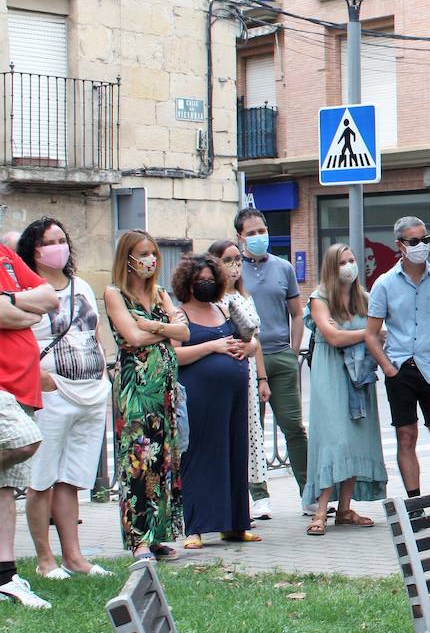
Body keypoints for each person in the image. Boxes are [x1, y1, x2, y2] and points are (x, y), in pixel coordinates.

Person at [17, 218, 111, 578]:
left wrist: (103, 370)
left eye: (62, 239)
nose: (59, 246)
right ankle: (45, 560)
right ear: (34, 250)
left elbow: (94, 331)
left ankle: (75, 557)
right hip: (53, 392)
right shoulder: (28, 290)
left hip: (89, 392)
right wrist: (39, 378)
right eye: (49, 241)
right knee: (41, 477)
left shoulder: (82, 286)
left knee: (71, 479)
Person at [365, 217, 430, 508]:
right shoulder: (383, 284)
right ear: (400, 246)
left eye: (425, 239)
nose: (422, 246)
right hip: (400, 370)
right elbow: (372, 335)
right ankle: (415, 505)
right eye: (414, 241)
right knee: (406, 436)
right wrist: (388, 368)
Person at [104, 230, 189, 563]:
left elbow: (183, 333)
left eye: (153, 253)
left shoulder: (160, 294)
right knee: (138, 462)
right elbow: (131, 337)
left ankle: (158, 536)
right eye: (143, 254)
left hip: (165, 389)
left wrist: (154, 327)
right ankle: (138, 539)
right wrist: (163, 329)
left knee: (164, 460)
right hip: (136, 390)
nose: (150, 260)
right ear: (127, 258)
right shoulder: (115, 294)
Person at [171, 254, 259, 549]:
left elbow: (253, 338)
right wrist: (213, 346)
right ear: (188, 284)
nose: (205, 284)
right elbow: (175, 355)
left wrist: (245, 349)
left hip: (234, 395)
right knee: (200, 458)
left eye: (210, 279)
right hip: (199, 396)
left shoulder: (225, 308)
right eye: (199, 281)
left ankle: (235, 524)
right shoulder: (179, 315)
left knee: (234, 454)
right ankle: (195, 528)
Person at [303, 244, 388, 536]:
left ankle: (345, 509)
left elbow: (383, 331)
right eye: (343, 262)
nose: (350, 266)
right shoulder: (320, 298)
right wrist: (368, 335)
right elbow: (334, 336)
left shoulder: (364, 298)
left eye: (352, 260)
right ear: (331, 266)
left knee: (355, 438)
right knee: (333, 438)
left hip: (359, 375)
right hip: (331, 372)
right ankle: (320, 510)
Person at [236, 207, 309, 508]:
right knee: (252, 430)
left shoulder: (283, 268)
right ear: (240, 237)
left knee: (293, 427)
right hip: (248, 358)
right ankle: (259, 496)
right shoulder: (234, 269)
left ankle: (309, 493)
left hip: (281, 356)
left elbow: (297, 313)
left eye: (261, 231)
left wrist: (293, 351)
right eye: (251, 233)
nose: (258, 237)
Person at [1, 238, 59, 607]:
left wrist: (11, 301)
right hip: (3, 385)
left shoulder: (5, 255)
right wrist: (24, 307)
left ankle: (5, 576)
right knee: (25, 441)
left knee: (5, 487)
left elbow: (49, 299)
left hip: (22, 386)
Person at [209, 240, 272, 521]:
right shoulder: (211, 298)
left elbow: (255, 339)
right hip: (222, 370)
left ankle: (258, 493)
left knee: (252, 433)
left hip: (246, 370)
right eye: (228, 260)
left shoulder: (245, 297)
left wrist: (262, 378)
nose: (235, 266)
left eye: (238, 260)